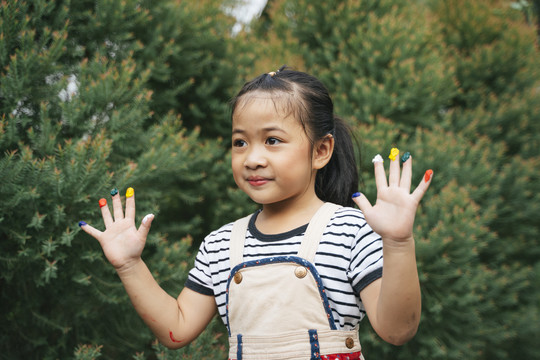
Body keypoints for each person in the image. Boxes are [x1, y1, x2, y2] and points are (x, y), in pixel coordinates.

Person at [80, 66, 432, 360]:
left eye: (272, 140)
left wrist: (399, 242)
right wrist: (129, 265)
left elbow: (398, 330)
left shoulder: (352, 230)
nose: (252, 158)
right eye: (240, 142)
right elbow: (177, 328)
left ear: (321, 150)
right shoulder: (219, 245)